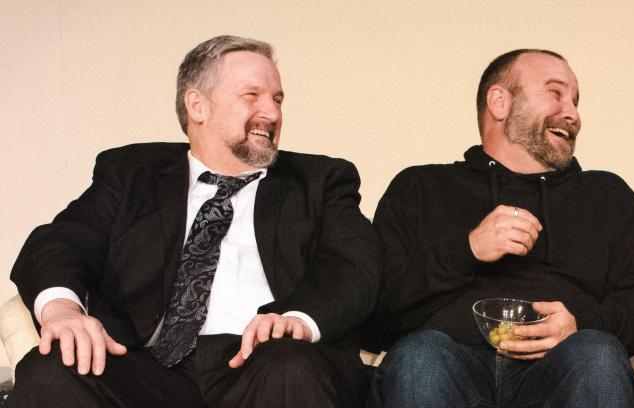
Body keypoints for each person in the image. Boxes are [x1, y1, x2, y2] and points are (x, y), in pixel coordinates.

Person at [10, 35, 379, 408]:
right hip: (146, 366)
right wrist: (62, 310)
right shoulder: (131, 174)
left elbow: (354, 265)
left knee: (290, 366)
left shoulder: (320, 181)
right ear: (197, 106)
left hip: (263, 360)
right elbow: (59, 242)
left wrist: (296, 319)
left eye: (278, 99)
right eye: (252, 96)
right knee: (51, 368)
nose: (272, 113)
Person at [363, 49, 634, 408]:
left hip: (565, 368)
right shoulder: (419, 188)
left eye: (575, 100)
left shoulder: (606, 195)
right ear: (499, 102)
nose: (572, 114)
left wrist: (580, 324)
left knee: (594, 351)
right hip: (446, 366)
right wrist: (467, 250)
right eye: (555, 93)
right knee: (421, 355)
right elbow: (373, 312)